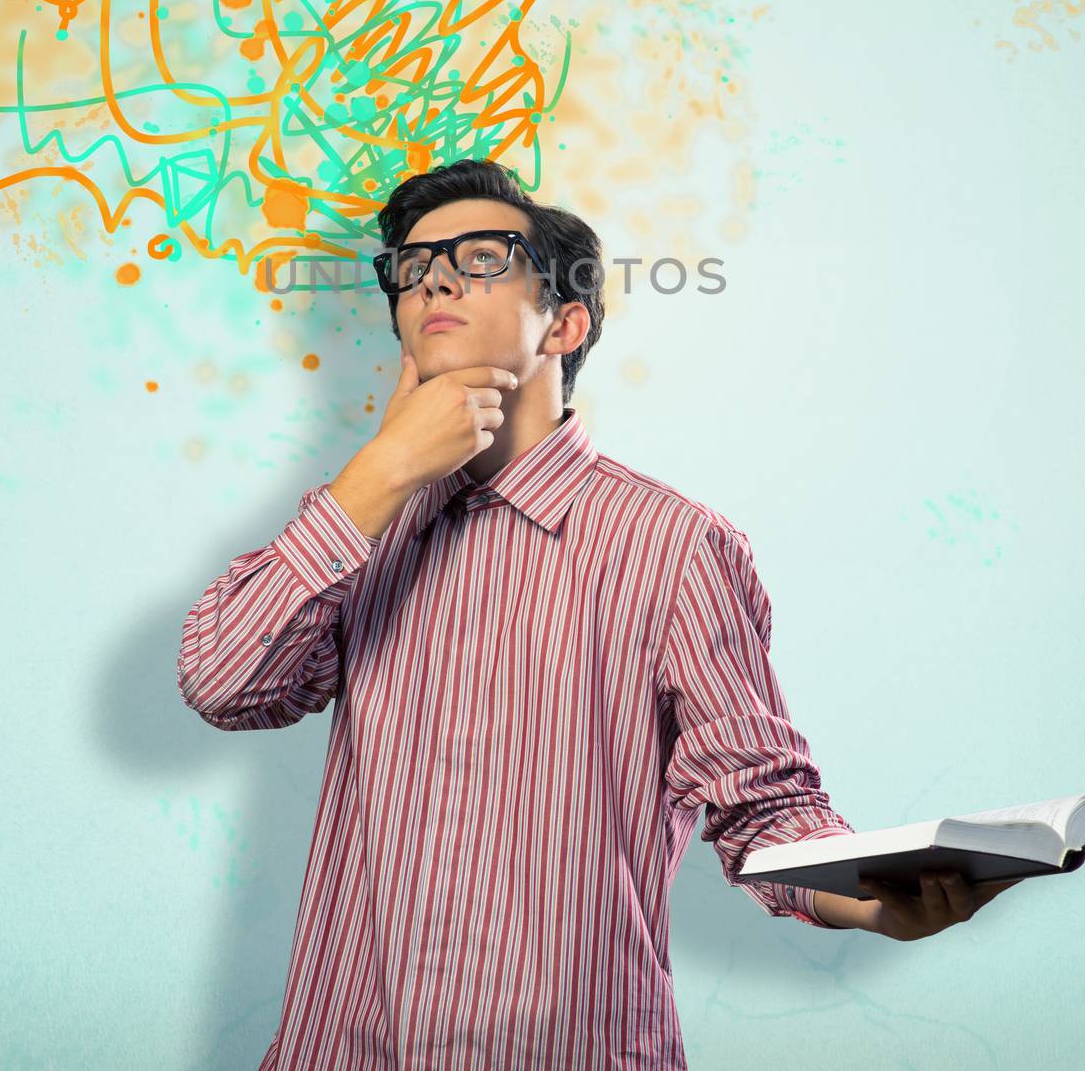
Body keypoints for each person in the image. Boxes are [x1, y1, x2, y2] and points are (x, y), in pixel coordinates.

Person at [177, 159, 1021, 1070]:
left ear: (566, 323)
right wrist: (379, 473)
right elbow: (225, 684)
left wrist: (868, 897)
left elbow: (761, 802)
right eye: (413, 267)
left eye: (482, 257)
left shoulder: (673, 546)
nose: (437, 279)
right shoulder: (357, 521)